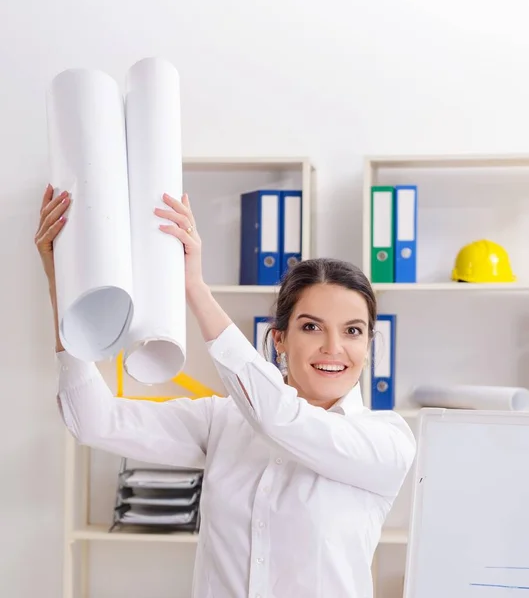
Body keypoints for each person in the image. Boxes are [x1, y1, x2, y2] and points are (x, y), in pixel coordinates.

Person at [35, 184, 416, 598]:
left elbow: (279, 419)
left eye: (353, 331)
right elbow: (93, 421)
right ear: (280, 340)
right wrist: (63, 285)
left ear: (369, 344)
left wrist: (196, 290)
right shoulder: (224, 421)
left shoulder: (387, 442)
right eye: (311, 326)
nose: (333, 347)